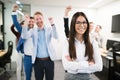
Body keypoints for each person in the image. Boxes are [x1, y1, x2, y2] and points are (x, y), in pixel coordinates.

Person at [62, 12, 103, 80]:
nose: (82, 25)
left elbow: (99, 66)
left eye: (84, 22)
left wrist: (74, 64)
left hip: (87, 77)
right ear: (73, 25)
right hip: (70, 77)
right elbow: (66, 66)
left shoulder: (92, 42)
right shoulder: (67, 42)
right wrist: (88, 63)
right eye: (78, 22)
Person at [23, 11, 58, 80]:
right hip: (38, 61)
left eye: (40, 18)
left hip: (49, 60)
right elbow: (24, 36)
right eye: (37, 19)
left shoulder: (49, 29)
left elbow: (56, 36)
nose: (39, 20)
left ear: (43, 19)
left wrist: (52, 24)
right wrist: (26, 23)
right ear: (35, 21)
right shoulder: (33, 31)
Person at [11, 4, 24, 80]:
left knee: (25, 68)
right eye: (21, 25)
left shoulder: (26, 31)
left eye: (23, 25)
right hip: (19, 51)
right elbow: (12, 27)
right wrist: (17, 22)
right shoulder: (18, 32)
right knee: (19, 67)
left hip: (25, 52)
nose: (22, 26)